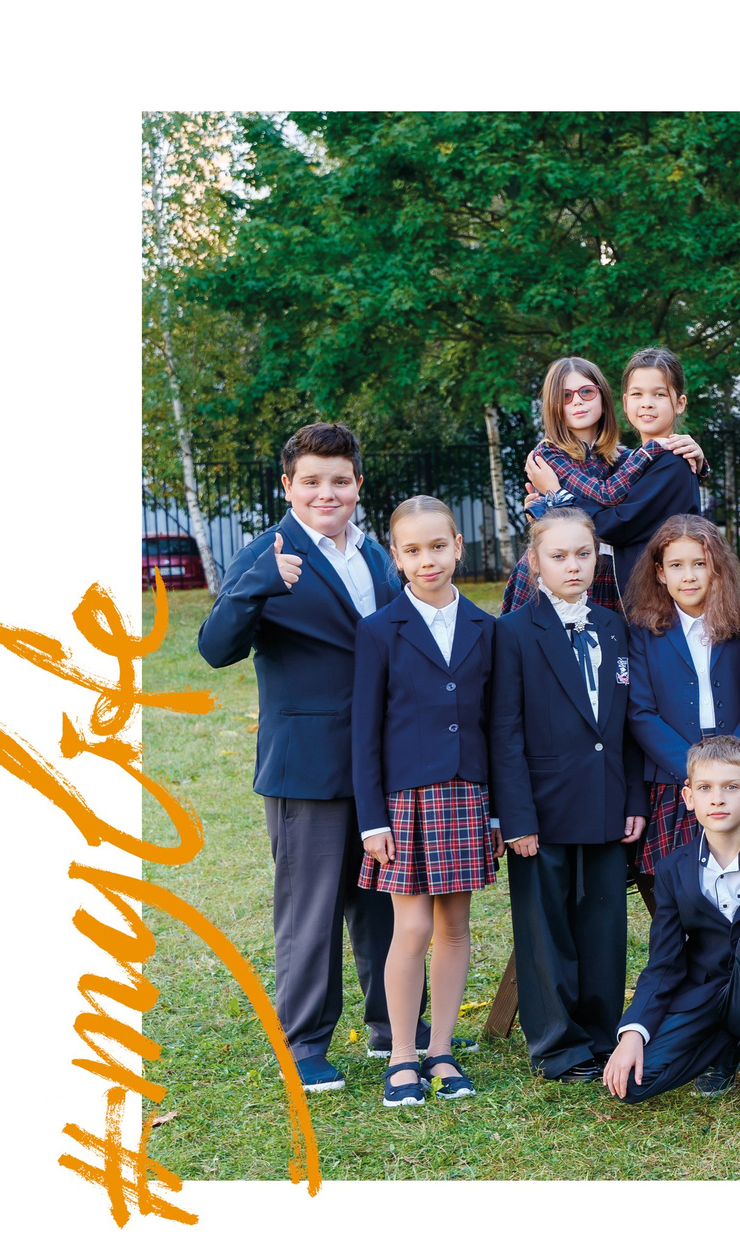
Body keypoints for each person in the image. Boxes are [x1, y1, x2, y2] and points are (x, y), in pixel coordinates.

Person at [196, 422, 410, 1094]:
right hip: (305, 767)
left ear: (357, 484)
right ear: (288, 486)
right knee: (310, 912)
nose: (327, 492)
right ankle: (305, 1044)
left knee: (381, 899)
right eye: (311, 481)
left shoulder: (375, 555)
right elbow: (214, 647)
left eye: (339, 480)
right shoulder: (268, 552)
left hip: (378, 761)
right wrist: (257, 582)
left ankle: (390, 1024)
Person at [351, 495, 499, 1106]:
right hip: (405, 802)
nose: (428, 559)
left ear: (458, 546)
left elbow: (496, 724)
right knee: (411, 926)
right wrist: (370, 821)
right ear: (397, 559)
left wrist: (496, 810)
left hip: (467, 796)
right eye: (412, 550)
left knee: (454, 927)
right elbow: (363, 732)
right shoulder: (380, 630)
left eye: (438, 546)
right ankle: (404, 1055)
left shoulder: (486, 628)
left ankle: (442, 1049)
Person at [490, 508, 643, 1083]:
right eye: (558, 556)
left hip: (606, 802)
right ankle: (558, 1046)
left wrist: (633, 799)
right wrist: (515, 817)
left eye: (583, 554)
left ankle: (602, 1036)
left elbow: (624, 723)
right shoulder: (512, 633)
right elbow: (503, 732)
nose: (572, 565)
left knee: (603, 924)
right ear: (534, 564)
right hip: (542, 809)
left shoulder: (612, 626)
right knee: (545, 928)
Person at [604, 736, 740, 1123]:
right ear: (688, 797)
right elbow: (663, 962)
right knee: (633, 1084)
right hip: (705, 994)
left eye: (730, 788)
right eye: (705, 789)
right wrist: (632, 1032)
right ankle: (727, 1043)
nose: (717, 799)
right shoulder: (672, 869)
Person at [499, 353, 707, 614]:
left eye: (586, 392)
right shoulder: (551, 456)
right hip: (560, 572)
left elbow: (615, 519)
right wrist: (547, 503)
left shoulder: (622, 459)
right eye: (565, 396)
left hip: (609, 577)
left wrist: (700, 463)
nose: (576, 402)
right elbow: (606, 498)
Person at [623, 514, 740, 911]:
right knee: (677, 890)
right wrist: (695, 770)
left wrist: (733, 764)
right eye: (677, 566)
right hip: (674, 775)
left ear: (716, 567)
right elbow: (640, 711)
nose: (689, 576)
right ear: (660, 573)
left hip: (737, 768)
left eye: (699, 563)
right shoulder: (644, 630)